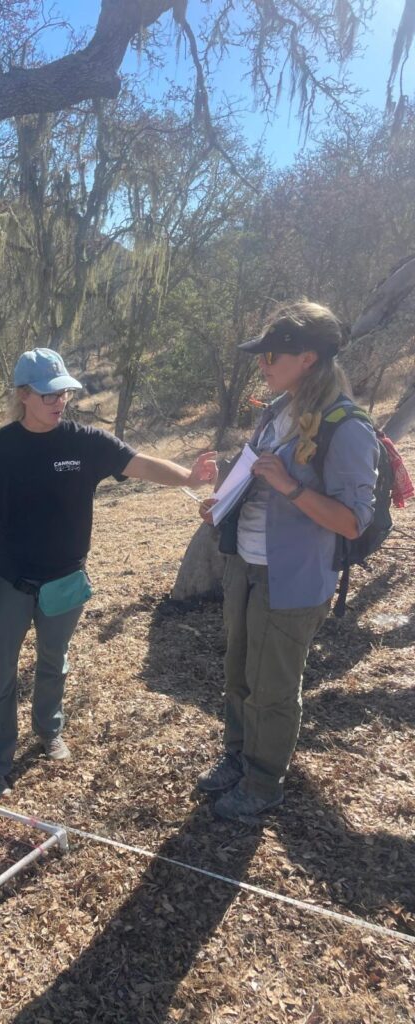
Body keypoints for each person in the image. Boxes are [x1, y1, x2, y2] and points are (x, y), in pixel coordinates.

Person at [0, 347, 217, 801]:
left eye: (65, 393)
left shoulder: (85, 442)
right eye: (48, 394)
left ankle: (48, 730)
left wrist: (188, 479)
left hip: (64, 582)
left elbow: (141, 464)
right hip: (7, 581)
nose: (59, 402)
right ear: (23, 395)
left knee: (54, 663)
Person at [197, 300, 378, 822]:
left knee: (273, 688)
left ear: (308, 358)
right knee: (238, 673)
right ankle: (237, 757)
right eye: (261, 354)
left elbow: (351, 522)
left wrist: (290, 487)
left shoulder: (347, 427)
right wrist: (225, 502)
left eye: (272, 354)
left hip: (294, 581)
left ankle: (262, 782)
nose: (263, 364)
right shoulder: (277, 410)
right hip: (246, 566)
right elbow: (256, 475)